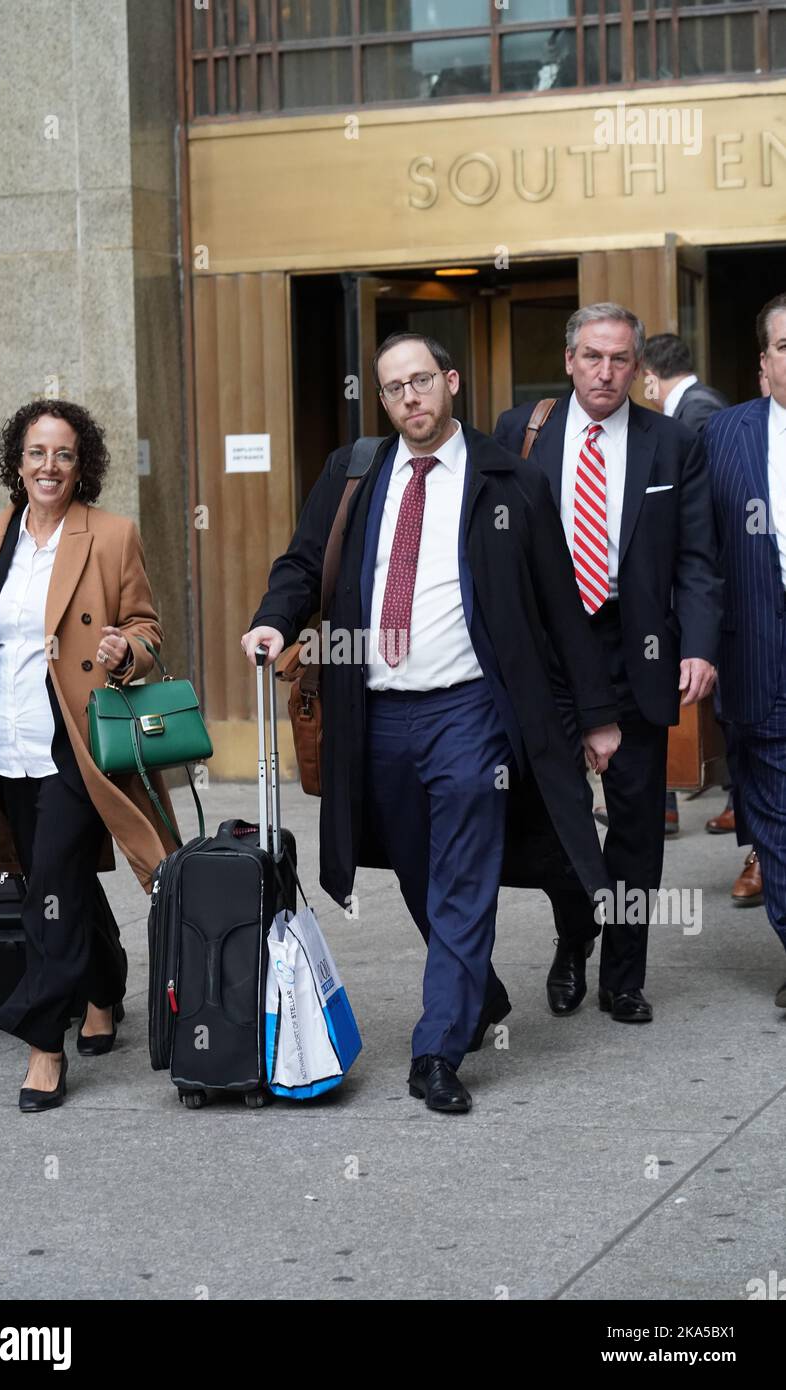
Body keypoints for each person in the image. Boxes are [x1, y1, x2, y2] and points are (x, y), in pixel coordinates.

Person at [242, 333, 621, 1114]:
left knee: (461, 878)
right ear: (381, 400)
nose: (410, 397)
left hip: (469, 711)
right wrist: (275, 620)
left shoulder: (508, 478)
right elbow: (303, 563)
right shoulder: (355, 474)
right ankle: (477, 993)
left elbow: (560, 606)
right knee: (413, 869)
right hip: (375, 711)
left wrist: (596, 716)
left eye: (422, 381)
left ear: (450, 383)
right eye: (393, 388)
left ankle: (438, 1049)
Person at [0, 400, 180, 1110]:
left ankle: (43, 1042)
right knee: (56, 877)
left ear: (82, 464)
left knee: (49, 895)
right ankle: (101, 990)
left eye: (63, 454)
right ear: (18, 461)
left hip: (73, 744)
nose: (49, 466)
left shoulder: (109, 536)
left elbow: (148, 629)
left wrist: (125, 649)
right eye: (37, 453)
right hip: (0, 745)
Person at [494, 303, 722, 1023]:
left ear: (638, 367)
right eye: (592, 357)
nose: (605, 371)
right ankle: (574, 937)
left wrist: (699, 644)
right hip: (549, 659)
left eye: (620, 359)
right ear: (568, 360)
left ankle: (625, 976)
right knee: (554, 821)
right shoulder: (520, 433)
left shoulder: (672, 442)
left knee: (634, 825)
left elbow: (696, 556)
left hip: (636, 652)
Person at [705, 292, 786, 1010]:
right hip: (761, 656)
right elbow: (696, 555)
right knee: (775, 816)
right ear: (765, 363)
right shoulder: (725, 436)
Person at [640, 333, 730, 836]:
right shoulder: (703, 404)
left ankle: (687, 799)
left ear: (651, 374)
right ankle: (672, 799)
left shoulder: (693, 412)